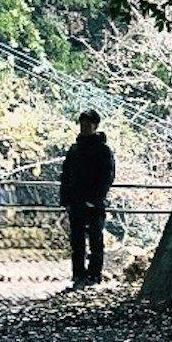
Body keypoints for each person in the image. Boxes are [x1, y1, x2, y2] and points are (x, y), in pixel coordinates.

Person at [59, 109, 115, 288]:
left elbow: (107, 176)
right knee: (77, 242)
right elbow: (66, 176)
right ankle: (78, 275)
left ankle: (94, 275)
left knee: (95, 240)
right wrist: (66, 200)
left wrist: (95, 198)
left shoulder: (103, 150)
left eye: (88, 125)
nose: (84, 128)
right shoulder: (74, 149)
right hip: (76, 202)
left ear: (95, 126)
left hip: (93, 203)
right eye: (82, 124)